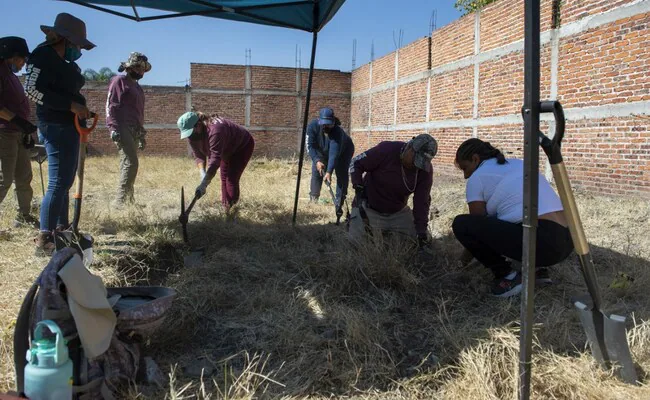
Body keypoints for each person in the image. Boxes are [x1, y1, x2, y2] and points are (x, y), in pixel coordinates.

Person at [451, 138, 574, 297]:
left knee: (462, 224)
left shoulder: (477, 177)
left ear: (475, 159)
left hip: (542, 242)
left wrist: (460, 264)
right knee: (512, 218)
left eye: (465, 168)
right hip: (569, 239)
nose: (465, 176)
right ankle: (537, 271)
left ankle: (507, 276)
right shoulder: (518, 163)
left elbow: (477, 228)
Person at [24, 13, 95, 256]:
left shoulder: (67, 63)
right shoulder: (42, 56)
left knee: (66, 180)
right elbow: (31, 90)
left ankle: (62, 232)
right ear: (64, 39)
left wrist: (80, 107)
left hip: (71, 124)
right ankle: (45, 238)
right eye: (76, 45)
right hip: (55, 124)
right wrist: (70, 105)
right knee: (57, 182)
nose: (78, 50)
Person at [348, 134, 437, 247]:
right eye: (415, 160)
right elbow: (356, 162)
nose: (417, 166)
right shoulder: (387, 150)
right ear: (409, 147)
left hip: (398, 213)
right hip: (369, 208)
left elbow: (422, 201)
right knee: (356, 244)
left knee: (418, 242)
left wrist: (421, 231)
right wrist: (358, 185)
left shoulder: (424, 170)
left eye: (421, 163)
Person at [177, 111, 255, 212]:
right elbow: (199, 156)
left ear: (199, 125)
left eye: (191, 131)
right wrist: (203, 175)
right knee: (223, 178)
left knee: (231, 179)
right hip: (226, 148)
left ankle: (231, 212)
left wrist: (204, 184)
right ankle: (225, 207)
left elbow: (214, 161)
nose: (190, 136)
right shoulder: (192, 136)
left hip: (242, 146)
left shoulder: (215, 130)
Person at [0, 36, 39, 229]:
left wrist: (25, 129)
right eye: (22, 59)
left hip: (18, 133)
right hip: (4, 133)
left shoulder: (11, 76)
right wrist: (17, 121)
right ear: (12, 56)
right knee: (3, 179)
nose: (23, 63)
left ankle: (24, 216)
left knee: (23, 177)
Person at [106, 52, 151, 205]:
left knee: (127, 164)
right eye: (137, 67)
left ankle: (129, 200)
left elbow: (139, 112)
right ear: (129, 67)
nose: (140, 71)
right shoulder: (119, 81)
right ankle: (120, 202)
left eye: (143, 69)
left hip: (134, 129)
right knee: (131, 163)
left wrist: (141, 134)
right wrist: (113, 128)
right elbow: (111, 104)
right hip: (122, 127)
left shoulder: (138, 87)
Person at [306, 107, 355, 216]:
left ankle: (339, 202)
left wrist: (329, 172)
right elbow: (310, 146)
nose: (326, 127)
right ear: (319, 121)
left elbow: (334, 154)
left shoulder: (337, 132)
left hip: (343, 152)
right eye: (324, 124)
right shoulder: (312, 127)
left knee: (341, 174)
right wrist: (317, 160)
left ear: (333, 122)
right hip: (322, 151)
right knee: (316, 170)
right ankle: (313, 199)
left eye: (329, 124)